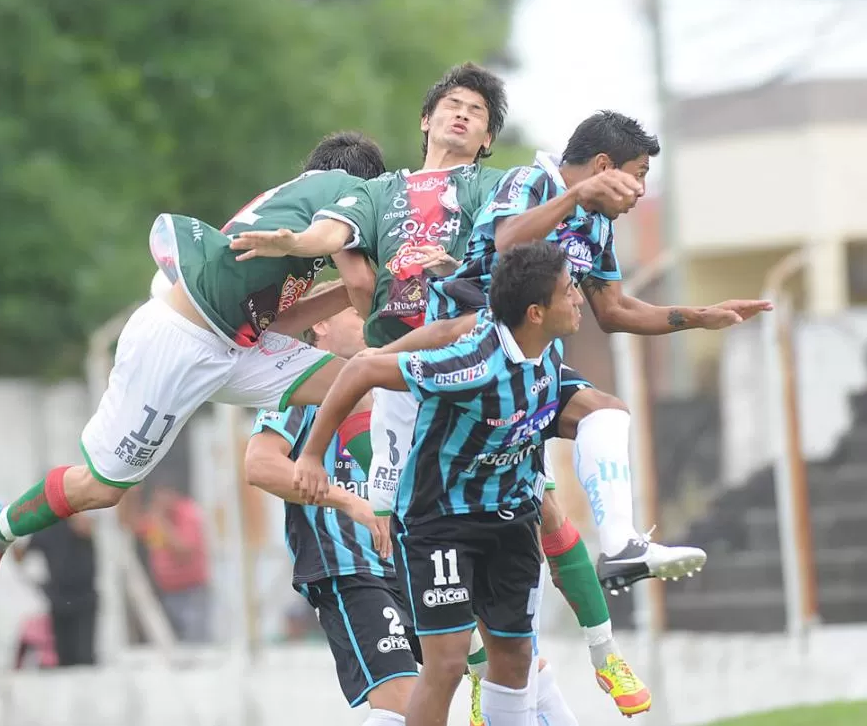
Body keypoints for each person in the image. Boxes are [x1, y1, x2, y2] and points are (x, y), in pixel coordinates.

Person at [229, 64, 650, 717]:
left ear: (487, 138)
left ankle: (600, 648)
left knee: (538, 510)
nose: (460, 115)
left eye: (475, 110)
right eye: (450, 104)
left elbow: (508, 258)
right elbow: (358, 298)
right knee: (420, 538)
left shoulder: (488, 191)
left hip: (481, 371)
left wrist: (455, 270)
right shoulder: (384, 205)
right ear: (424, 120)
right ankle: (504, 669)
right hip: (409, 397)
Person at [0, 131, 386, 605]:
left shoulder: (297, 210)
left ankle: (392, 508)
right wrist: (394, 315)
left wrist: (350, 294)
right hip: (178, 345)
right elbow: (364, 280)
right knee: (101, 489)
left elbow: (279, 322)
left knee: (354, 386)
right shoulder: (347, 194)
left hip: (233, 345)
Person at [414, 110, 771, 593]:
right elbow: (507, 240)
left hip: (530, 365)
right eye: (639, 174)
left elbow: (614, 310)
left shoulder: (597, 225)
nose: (643, 190)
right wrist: (575, 195)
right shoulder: (531, 182)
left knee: (605, 414)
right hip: (473, 351)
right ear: (604, 166)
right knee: (508, 518)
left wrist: (699, 315)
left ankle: (621, 546)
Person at [292, 241, 590, 726]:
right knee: (448, 664)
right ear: (536, 312)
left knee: (514, 660)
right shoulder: (470, 364)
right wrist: (310, 455)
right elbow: (364, 368)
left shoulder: (549, 351)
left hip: (513, 520)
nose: (578, 298)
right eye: (568, 290)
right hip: (442, 524)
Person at [245, 281, 418, 725]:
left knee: (466, 685)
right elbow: (261, 465)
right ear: (319, 324)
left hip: (409, 565)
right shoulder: (299, 387)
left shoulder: (390, 386)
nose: (369, 321)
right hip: (350, 570)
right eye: (357, 313)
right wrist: (348, 502)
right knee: (402, 700)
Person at [124, 485, 211, 644]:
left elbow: (183, 551)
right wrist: (130, 497)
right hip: (167, 591)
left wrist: (161, 521)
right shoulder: (157, 519)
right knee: (175, 641)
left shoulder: (188, 513)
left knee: (195, 642)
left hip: (191, 591)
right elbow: (132, 526)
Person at [12, 514, 98, 666]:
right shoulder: (45, 525)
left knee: (84, 658)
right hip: (59, 602)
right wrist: (11, 533)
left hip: (83, 600)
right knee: (64, 659)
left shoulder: (79, 513)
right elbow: (20, 555)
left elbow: (88, 525)